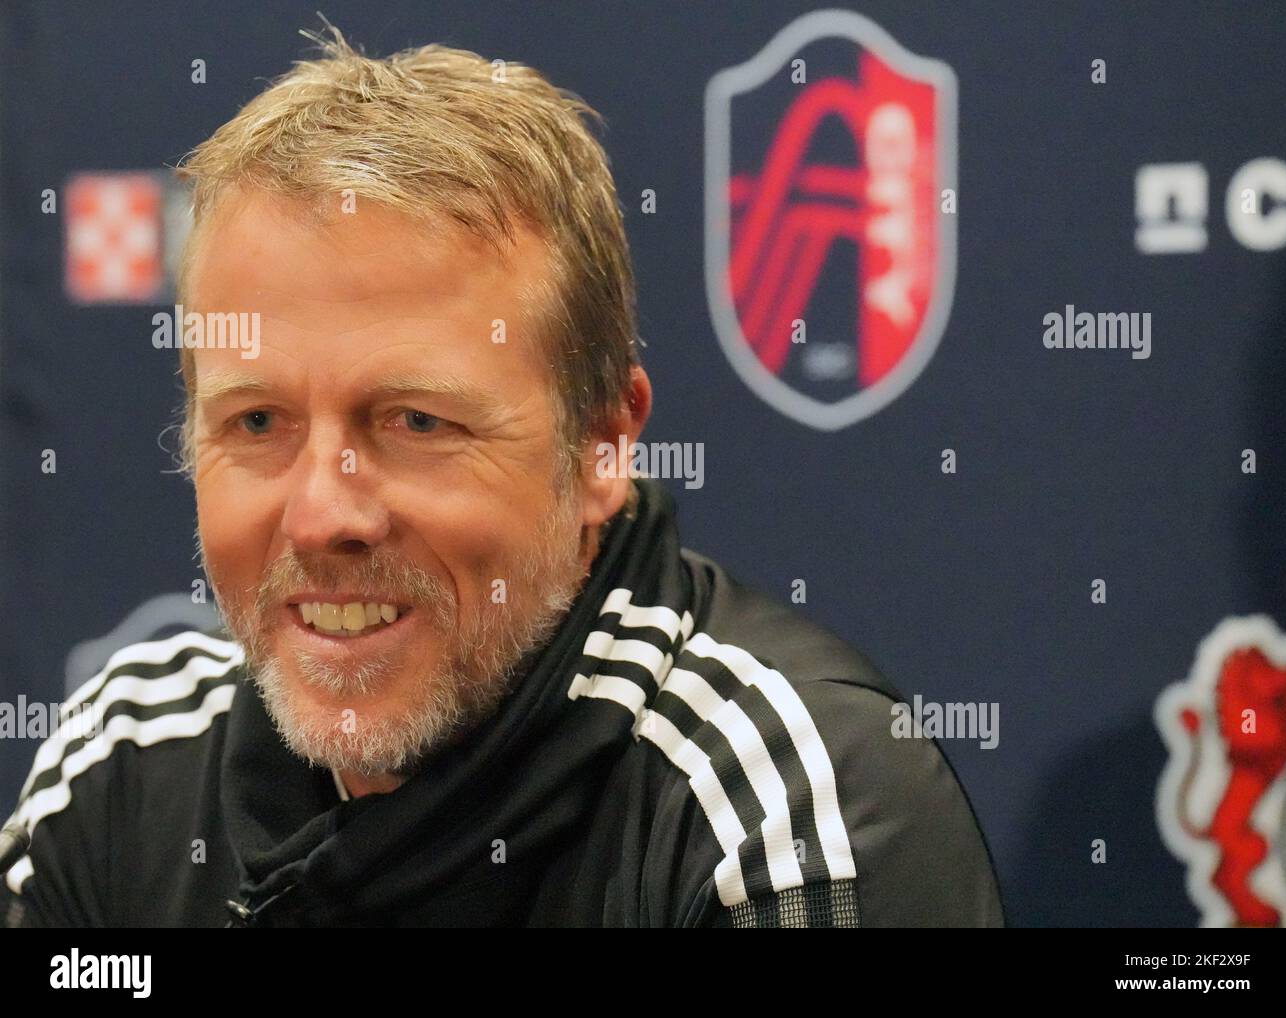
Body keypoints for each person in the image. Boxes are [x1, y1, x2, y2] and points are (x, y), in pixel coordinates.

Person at [1, 27, 1002, 927]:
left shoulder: (777, 816)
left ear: (601, 444)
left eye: (415, 421)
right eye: (256, 421)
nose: (321, 513)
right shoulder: (122, 772)